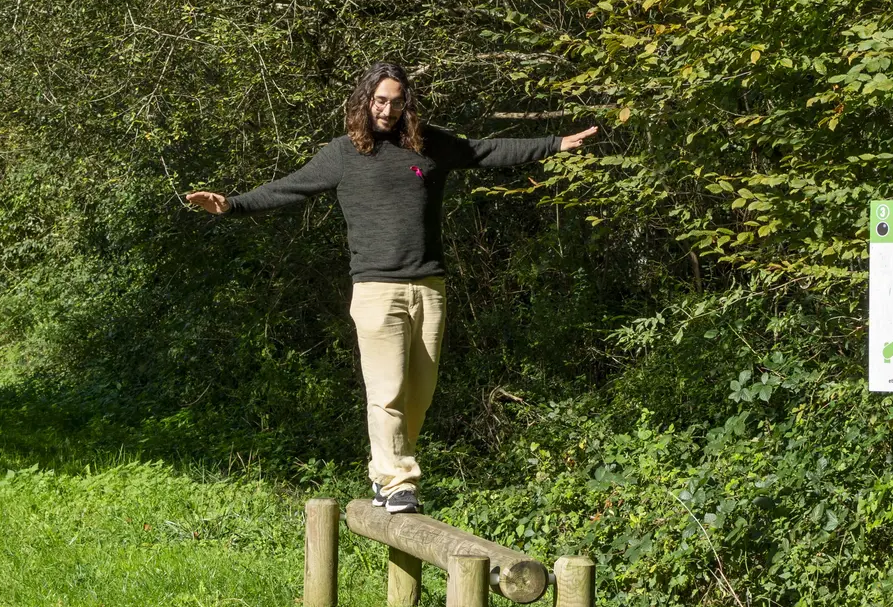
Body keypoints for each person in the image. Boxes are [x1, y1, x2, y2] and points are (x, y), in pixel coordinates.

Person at [185, 62, 597, 514]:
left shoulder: (429, 145)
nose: (387, 109)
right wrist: (232, 204)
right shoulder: (344, 154)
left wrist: (556, 143)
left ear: (407, 104)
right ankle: (398, 479)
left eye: (396, 101)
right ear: (365, 102)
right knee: (387, 390)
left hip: (429, 287)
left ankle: (385, 473)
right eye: (379, 101)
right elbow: (291, 188)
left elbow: (486, 150)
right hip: (377, 289)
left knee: (419, 393)